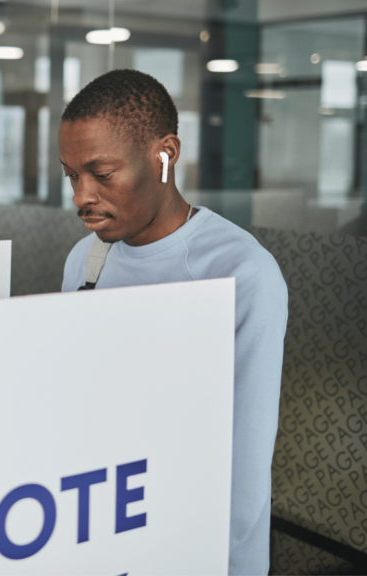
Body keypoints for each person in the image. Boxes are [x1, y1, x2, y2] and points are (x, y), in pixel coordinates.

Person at [58, 69, 288, 575]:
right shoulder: (85, 260)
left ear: (166, 154)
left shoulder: (240, 272)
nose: (81, 196)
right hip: (104, 533)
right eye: (72, 175)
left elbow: (244, 468)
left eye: (101, 173)